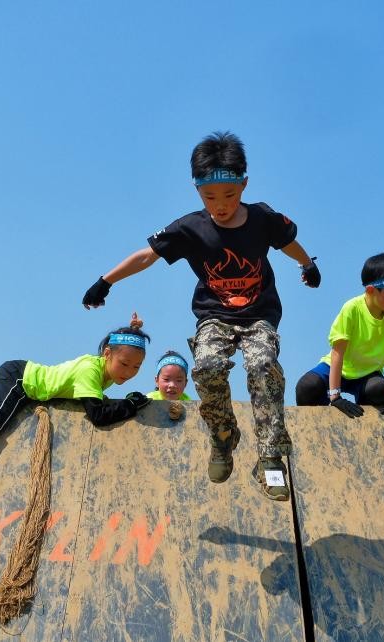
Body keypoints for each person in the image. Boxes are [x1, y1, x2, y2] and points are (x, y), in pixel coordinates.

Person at [81, 131, 320, 501]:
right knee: (207, 367)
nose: (220, 205)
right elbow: (147, 255)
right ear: (197, 191)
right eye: (209, 197)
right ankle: (223, 436)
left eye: (229, 195)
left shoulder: (262, 218)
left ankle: (271, 456)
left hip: (259, 315)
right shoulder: (190, 228)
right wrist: (105, 281)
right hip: (214, 315)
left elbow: (287, 243)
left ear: (244, 184)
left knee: (262, 366)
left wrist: (307, 264)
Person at [0, 317, 152, 472]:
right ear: (107, 353)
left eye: (136, 367)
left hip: (23, 383)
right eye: (124, 363)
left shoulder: (103, 371)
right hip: (20, 378)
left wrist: (133, 330)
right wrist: (132, 404)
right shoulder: (90, 371)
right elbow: (98, 415)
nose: (129, 372)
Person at [295, 252, 384, 419]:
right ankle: (316, 430)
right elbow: (338, 352)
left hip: (367, 373)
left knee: (378, 390)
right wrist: (335, 396)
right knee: (306, 387)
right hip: (338, 368)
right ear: (371, 290)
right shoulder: (351, 309)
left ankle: (365, 429)